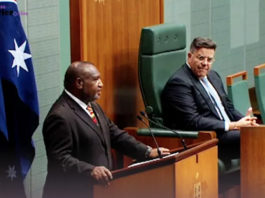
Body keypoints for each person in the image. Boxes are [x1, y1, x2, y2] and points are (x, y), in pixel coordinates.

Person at [42, 61, 170, 198]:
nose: (101, 84)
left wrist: (147, 152)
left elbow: (116, 135)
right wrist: (90, 171)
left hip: (98, 191)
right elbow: (60, 160)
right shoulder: (59, 117)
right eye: (96, 79)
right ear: (79, 83)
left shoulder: (93, 107)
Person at [161, 37, 258, 161]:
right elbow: (193, 121)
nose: (205, 63)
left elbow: (228, 107)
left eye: (209, 59)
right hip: (209, 139)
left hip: (228, 132)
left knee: (258, 133)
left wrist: (246, 122)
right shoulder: (179, 82)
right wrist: (233, 125)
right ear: (190, 56)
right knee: (257, 138)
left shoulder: (213, 75)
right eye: (201, 58)